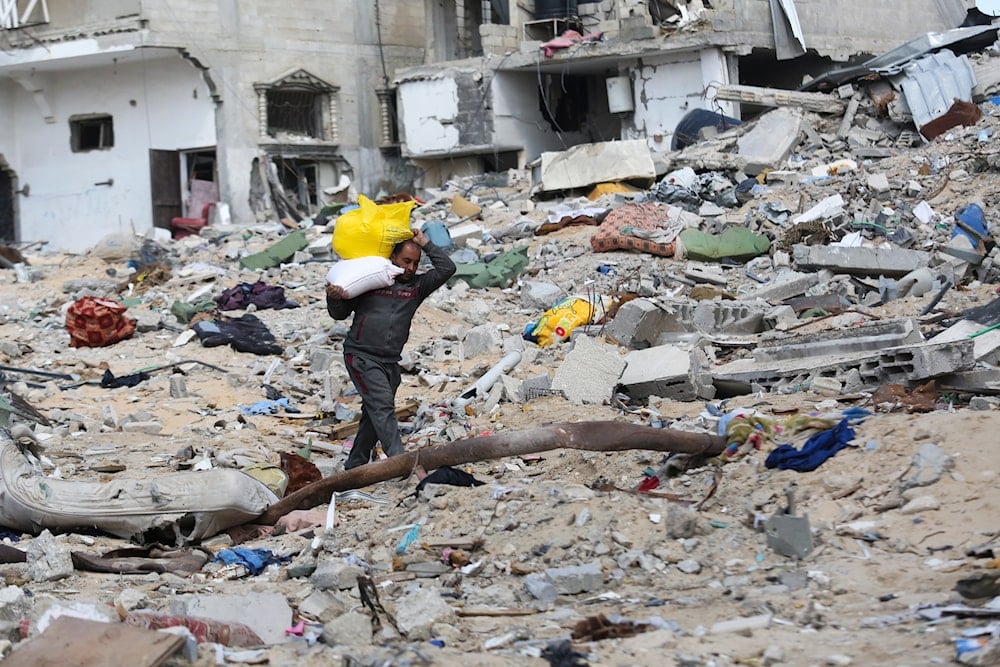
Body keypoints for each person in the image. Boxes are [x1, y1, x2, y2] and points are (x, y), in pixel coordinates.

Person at [326, 227, 456, 470]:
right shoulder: (370, 282)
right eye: (406, 261)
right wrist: (333, 296)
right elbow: (339, 313)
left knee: (374, 413)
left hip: (390, 362)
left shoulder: (416, 287)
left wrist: (424, 242)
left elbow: (448, 269)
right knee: (383, 406)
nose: (410, 268)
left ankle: (354, 465)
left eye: (415, 263)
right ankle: (401, 464)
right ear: (392, 258)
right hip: (362, 357)